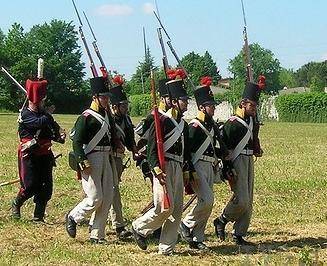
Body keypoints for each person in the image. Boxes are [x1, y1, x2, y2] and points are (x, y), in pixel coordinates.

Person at [131, 78, 195, 255]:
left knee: (176, 210)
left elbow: (185, 151)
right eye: (183, 100)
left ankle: (167, 247)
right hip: (163, 166)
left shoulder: (183, 125)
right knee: (164, 207)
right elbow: (151, 149)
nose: (186, 104)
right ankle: (139, 227)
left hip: (178, 166)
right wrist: (157, 169)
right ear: (174, 102)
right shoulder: (160, 121)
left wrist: (187, 170)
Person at [65, 77, 120, 244]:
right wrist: (83, 161)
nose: (107, 100)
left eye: (107, 97)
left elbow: (111, 136)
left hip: (106, 157)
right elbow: (77, 141)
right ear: (95, 97)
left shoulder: (107, 116)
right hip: (92, 157)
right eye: (104, 97)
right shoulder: (86, 117)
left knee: (107, 196)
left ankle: (97, 234)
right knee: (95, 197)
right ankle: (73, 216)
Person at [213, 80, 264, 245]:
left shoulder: (251, 121)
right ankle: (222, 219)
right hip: (237, 160)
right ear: (243, 104)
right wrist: (227, 167)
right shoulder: (233, 123)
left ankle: (239, 234)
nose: (254, 109)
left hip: (249, 159)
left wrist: (256, 147)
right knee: (241, 199)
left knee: (248, 200)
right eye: (252, 106)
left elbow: (252, 139)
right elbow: (224, 146)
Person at [179, 80, 228, 250]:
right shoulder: (194, 126)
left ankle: (197, 238)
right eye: (210, 106)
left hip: (209, 166)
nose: (213, 108)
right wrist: (189, 170)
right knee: (207, 200)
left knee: (207, 203)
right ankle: (185, 224)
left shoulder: (210, 125)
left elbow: (211, 148)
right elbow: (188, 150)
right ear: (201, 107)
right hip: (197, 167)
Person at [12, 78, 66, 222]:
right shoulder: (25, 115)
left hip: (45, 155)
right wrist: (48, 114)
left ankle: (38, 217)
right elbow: (38, 123)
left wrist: (60, 135)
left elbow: (52, 130)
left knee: (46, 187)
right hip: (30, 154)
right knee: (30, 185)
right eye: (41, 100)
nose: (44, 103)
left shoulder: (45, 116)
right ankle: (16, 203)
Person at [107, 83, 137, 239]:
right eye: (123, 105)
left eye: (126, 105)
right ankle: (119, 225)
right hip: (107, 157)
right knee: (112, 190)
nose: (125, 108)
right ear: (114, 106)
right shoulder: (107, 118)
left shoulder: (126, 119)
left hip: (118, 158)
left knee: (110, 190)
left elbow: (130, 138)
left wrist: (135, 151)